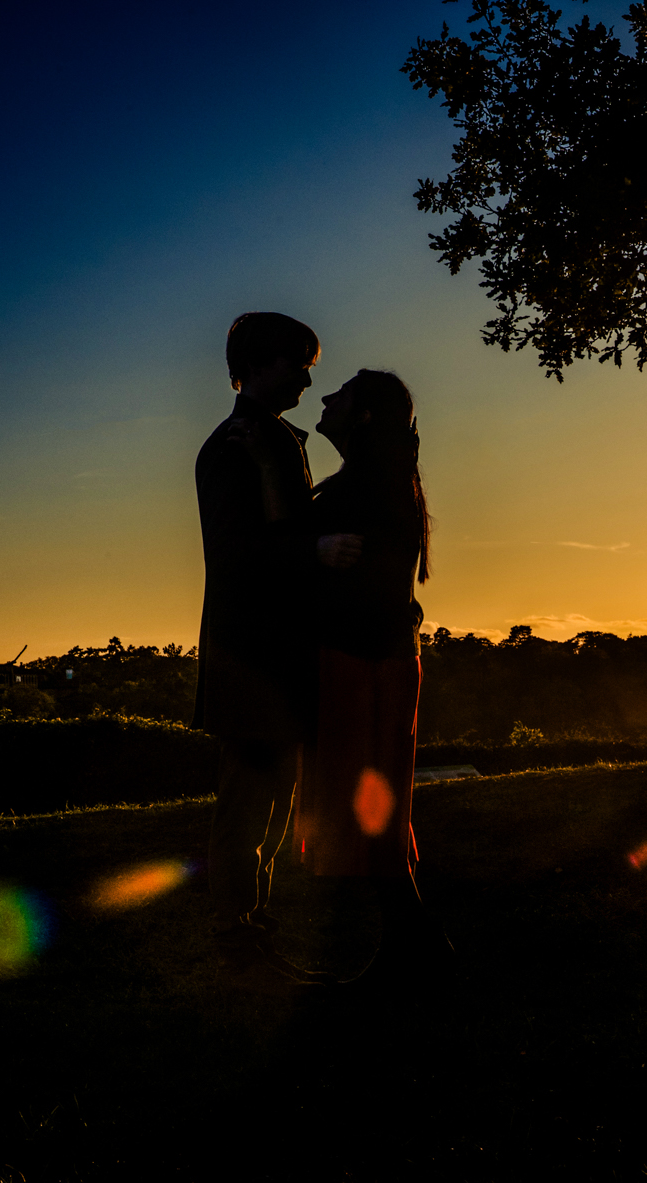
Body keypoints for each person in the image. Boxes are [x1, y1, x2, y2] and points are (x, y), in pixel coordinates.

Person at [194, 312, 361, 983]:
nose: (307, 375)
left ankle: (251, 920)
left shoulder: (274, 440)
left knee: (272, 795)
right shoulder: (234, 446)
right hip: (250, 656)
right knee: (247, 798)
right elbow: (235, 556)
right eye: (298, 361)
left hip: (278, 656)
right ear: (258, 364)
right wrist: (314, 548)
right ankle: (235, 934)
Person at [299, 368, 450, 979]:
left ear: (361, 417)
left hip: (363, 666)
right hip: (378, 661)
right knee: (371, 808)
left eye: (342, 393)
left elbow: (357, 588)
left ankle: (407, 948)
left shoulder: (362, 490)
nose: (327, 397)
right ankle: (407, 948)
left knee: (365, 807)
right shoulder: (379, 484)